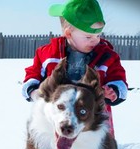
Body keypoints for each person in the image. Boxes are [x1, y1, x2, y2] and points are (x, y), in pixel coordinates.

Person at [21, 0, 128, 136]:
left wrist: (113, 91)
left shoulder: (107, 56)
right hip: (57, 118)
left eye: (98, 35)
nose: (95, 40)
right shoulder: (48, 54)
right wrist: (33, 91)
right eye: (88, 36)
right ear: (69, 33)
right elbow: (33, 74)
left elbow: (118, 78)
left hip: (93, 120)